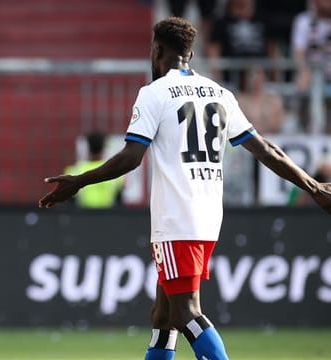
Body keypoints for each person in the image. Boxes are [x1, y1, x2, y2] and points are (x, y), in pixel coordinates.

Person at [39, 17, 331, 360]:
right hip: (207, 217)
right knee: (163, 317)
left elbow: (131, 157)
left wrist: (78, 181)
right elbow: (267, 150)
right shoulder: (220, 94)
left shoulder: (154, 93)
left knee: (184, 312)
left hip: (176, 217)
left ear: (157, 50)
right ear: (190, 54)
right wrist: (312, 185)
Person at [291, 0, 331, 133]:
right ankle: (307, 129)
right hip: (312, 75)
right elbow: (298, 52)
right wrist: (303, 71)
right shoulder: (303, 21)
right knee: (304, 83)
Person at [64, 131, 124, 208]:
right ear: (104, 147)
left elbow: (70, 201)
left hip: (83, 216)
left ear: (88, 147)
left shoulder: (74, 171)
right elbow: (119, 201)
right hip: (108, 216)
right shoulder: (115, 171)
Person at [237, 66, 285, 134]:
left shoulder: (274, 100)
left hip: (270, 137)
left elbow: (277, 124)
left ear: (264, 80)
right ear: (248, 81)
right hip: (247, 138)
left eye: (259, 79)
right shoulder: (241, 101)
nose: (257, 83)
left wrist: (261, 128)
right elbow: (237, 124)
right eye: (254, 80)